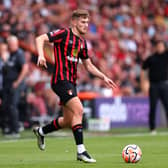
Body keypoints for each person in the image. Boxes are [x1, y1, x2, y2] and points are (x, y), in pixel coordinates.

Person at [33, 9, 117, 163]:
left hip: (71, 82)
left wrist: (104, 76)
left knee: (67, 121)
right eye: (82, 22)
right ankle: (81, 151)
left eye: (87, 22)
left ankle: (41, 131)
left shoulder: (82, 43)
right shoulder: (64, 34)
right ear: (74, 21)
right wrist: (41, 55)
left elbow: (88, 65)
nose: (86, 25)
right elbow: (40, 38)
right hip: (60, 80)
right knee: (79, 109)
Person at [2, 35, 28, 137]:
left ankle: (16, 129)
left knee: (13, 105)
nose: (10, 46)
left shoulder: (19, 54)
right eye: (9, 44)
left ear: (16, 43)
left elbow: (25, 68)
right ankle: (10, 128)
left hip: (15, 84)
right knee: (7, 106)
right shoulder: (10, 55)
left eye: (11, 44)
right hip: (8, 84)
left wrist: (18, 82)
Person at [141, 40, 168, 134]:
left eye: (161, 46)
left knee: (167, 106)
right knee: (153, 107)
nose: (160, 48)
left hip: (164, 84)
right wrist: (143, 83)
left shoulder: (166, 56)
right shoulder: (151, 58)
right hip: (153, 85)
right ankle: (152, 128)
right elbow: (143, 70)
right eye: (158, 46)